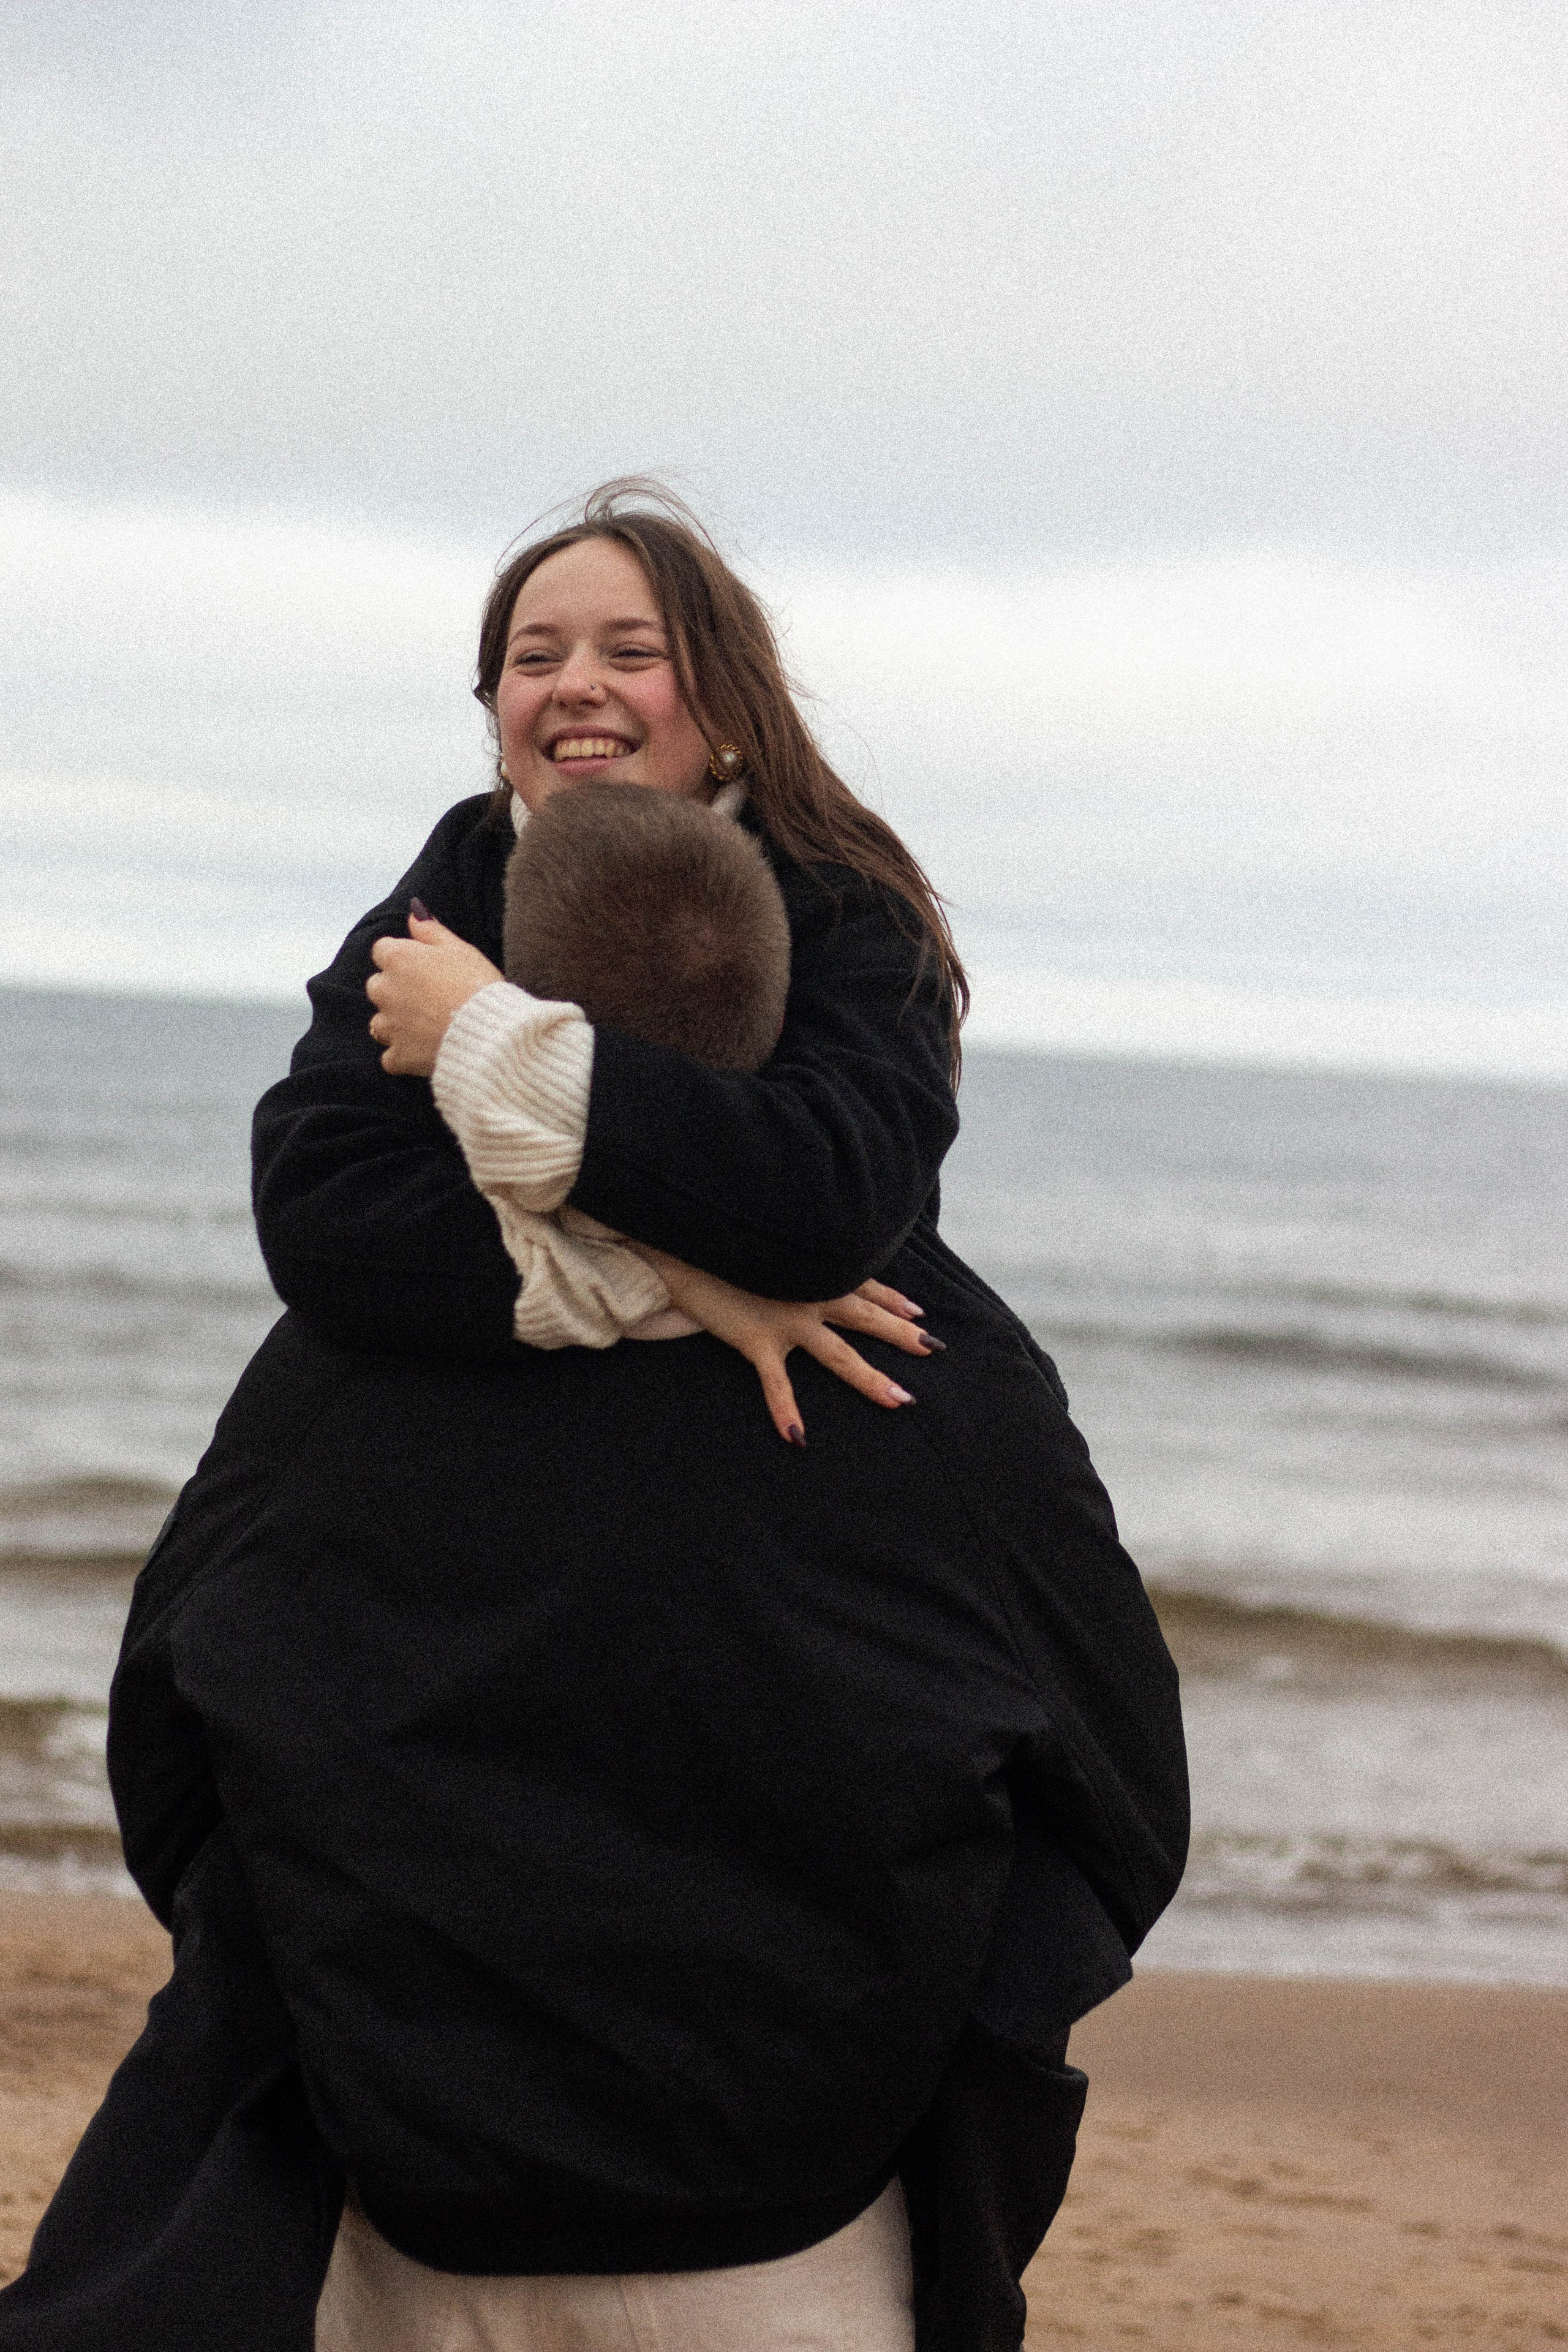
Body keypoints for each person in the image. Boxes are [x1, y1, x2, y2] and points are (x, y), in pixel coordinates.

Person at [0, 484, 1187, 2352]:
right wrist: (684, 1282)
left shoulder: (847, 925)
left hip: (789, 2198)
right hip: (411, 2174)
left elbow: (826, 1197)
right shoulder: (435, 906)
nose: (576, 682)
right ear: (488, 710)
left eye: (630, 647)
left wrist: (486, 1043)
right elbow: (320, 1208)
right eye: (533, 654)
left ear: (722, 696)